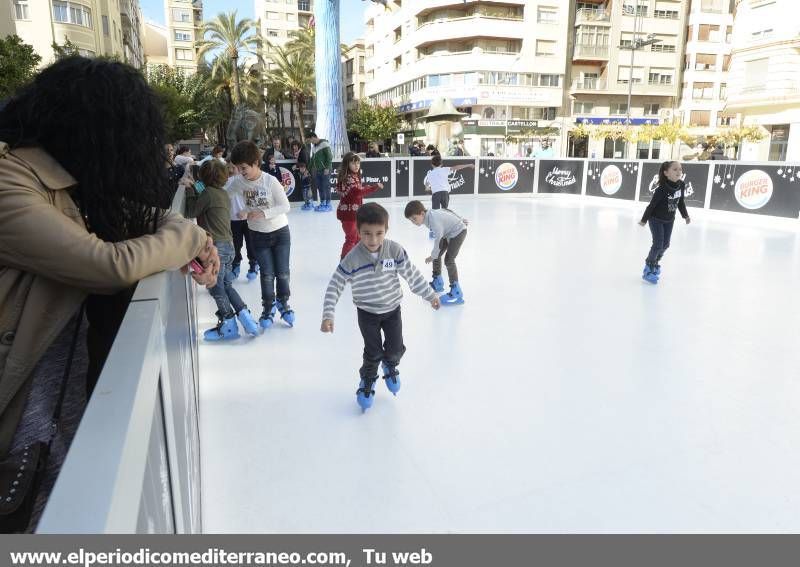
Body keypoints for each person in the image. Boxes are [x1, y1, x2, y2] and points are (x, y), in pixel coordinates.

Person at [0, 56, 219, 532]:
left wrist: (188, 233)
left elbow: (143, 214)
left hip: (55, 411)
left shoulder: (65, 186)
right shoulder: (9, 182)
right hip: (20, 424)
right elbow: (107, 266)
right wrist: (191, 238)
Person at [320, 203, 440, 412]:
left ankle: (390, 365)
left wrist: (430, 295)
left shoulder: (394, 250)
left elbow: (411, 275)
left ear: (386, 230)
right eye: (366, 234)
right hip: (367, 313)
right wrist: (328, 314)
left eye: (379, 233)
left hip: (392, 309)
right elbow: (335, 284)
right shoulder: (353, 258)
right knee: (373, 351)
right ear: (358, 231)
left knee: (395, 348)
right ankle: (367, 379)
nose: (373, 240)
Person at [184, 160, 260, 340]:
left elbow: (191, 211)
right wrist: (195, 186)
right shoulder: (221, 193)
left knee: (215, 287)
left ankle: (229, 325)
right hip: (229, 245)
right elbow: (204, 191)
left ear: (205, 176)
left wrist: (188, 190)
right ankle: (246, 317)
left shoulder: (208, 194)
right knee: (225, 285)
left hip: (216, 248)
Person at [228, 141, 295, 329]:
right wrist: (201, 187)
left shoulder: (270, 181)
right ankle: (268, 308)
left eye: (244, 168)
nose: (241, 171)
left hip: (280, 232)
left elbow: (285, 206)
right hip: (258, 235)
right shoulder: (239, 182)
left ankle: (283, 303)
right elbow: (222, 195)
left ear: (256, 162)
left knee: (282, 273)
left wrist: (262, 213)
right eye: (238, 168)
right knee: (266, 274)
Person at [404, 200, 468, 305]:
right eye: (411, 220)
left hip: (459, 231)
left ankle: (456, 292)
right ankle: (438, 282)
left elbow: (438, 240)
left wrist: (432, 256)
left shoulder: (434, 221)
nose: (414, 222)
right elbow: (446, 210)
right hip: (448, 233)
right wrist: (461, 218)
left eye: (414, 219)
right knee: (436, 254)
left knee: (449, 260)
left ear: (422, 213)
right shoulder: (430, 214)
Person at [639, 160, 691, 284]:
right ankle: (648, 269)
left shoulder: (681, 185)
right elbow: (651, 206)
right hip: (656, 219)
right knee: (658, 244)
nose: (679, 171)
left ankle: (655, 262)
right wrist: (643, 220)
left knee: (665, 244)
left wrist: (685, 216)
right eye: (675, 169)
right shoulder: (661, 189)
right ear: (666, 173)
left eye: (680, 169)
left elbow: (681, 202)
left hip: (669, 220)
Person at [335, 152, 383, 258]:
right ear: (347, 164)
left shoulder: (352, 176)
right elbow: (358, 192)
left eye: (358, 163)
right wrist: (374, 187)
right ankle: (344, 264)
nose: (356, 166)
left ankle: (359, 260)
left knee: (357, 238)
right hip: (349, 215)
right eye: (353, 163)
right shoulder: (349, 178)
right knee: (351, 238)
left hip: (353, 213)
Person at [225, 162, 259, 281]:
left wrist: (245, 211)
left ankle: (253, 264)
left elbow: (253, 199)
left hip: (248, 219)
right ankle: (235, 264)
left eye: (233, 167)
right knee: (235, 245)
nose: (231, 169)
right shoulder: (226, 181)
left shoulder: (245, 181)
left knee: (251, 244)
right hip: (233, 220)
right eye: (229, 167)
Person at [308, 132, 333, 212]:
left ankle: (328, 204)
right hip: (317, 170)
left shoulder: (324, 143)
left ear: (313, 137)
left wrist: (327, 168)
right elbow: (312, 159)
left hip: (325, 170)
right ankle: (323, 202)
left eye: (310, 140)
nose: (311, 142)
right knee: (320, 187)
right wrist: (307, 169)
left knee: (326, 186)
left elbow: (329, 157)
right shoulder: (314, 147)